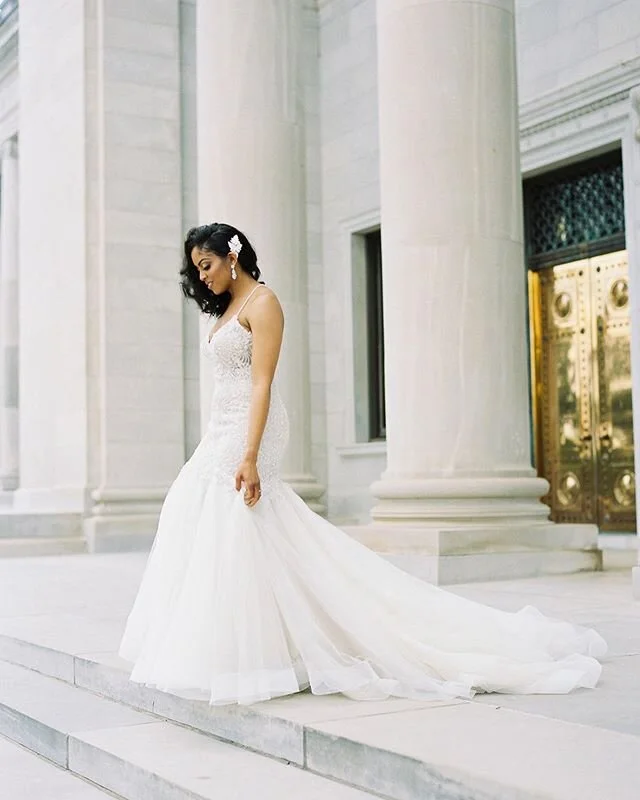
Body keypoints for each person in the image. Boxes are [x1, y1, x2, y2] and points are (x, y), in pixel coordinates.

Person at [118, 222, 607, 707]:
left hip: (252, 427)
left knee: (235, 515)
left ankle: (264, 648)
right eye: (196, 270)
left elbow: (262, 383)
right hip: (221, 427)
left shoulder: (263, 303)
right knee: (209, 512)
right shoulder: (223, 310)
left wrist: (250, 454)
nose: (202, 277)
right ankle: (250, 643)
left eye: (206, 266)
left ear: (232, 255)